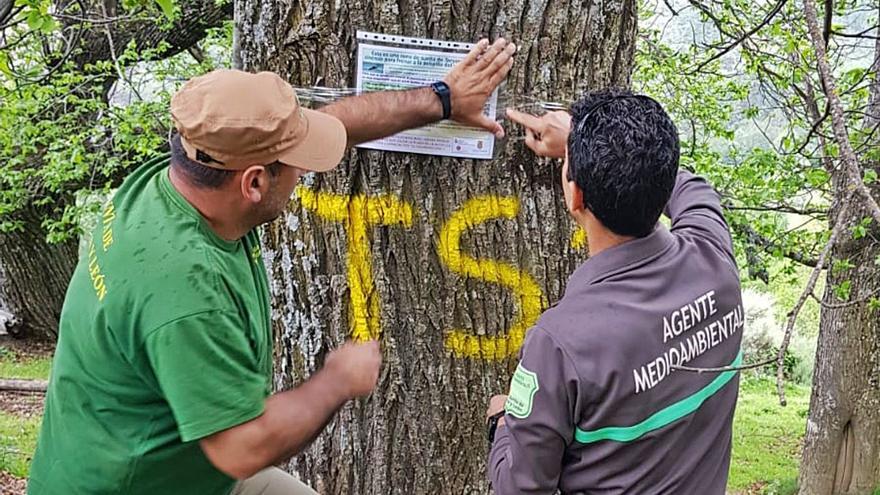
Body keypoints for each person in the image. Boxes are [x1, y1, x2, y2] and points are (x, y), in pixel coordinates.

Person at [28, 38, 517, 495]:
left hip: (162, 460)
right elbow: (242, 448)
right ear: (255, 184)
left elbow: (334, 124)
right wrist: (336, 381)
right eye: (296, 165)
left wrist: (444, 98)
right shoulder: (186, 289)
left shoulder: (178, 181)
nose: (304, 172)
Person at [488, 91, 744, 494]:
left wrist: (502, 422)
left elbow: (520, 487)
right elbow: (693, 188)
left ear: (576, 196)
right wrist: (591, 147)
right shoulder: (715, 260)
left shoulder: (560, 344)